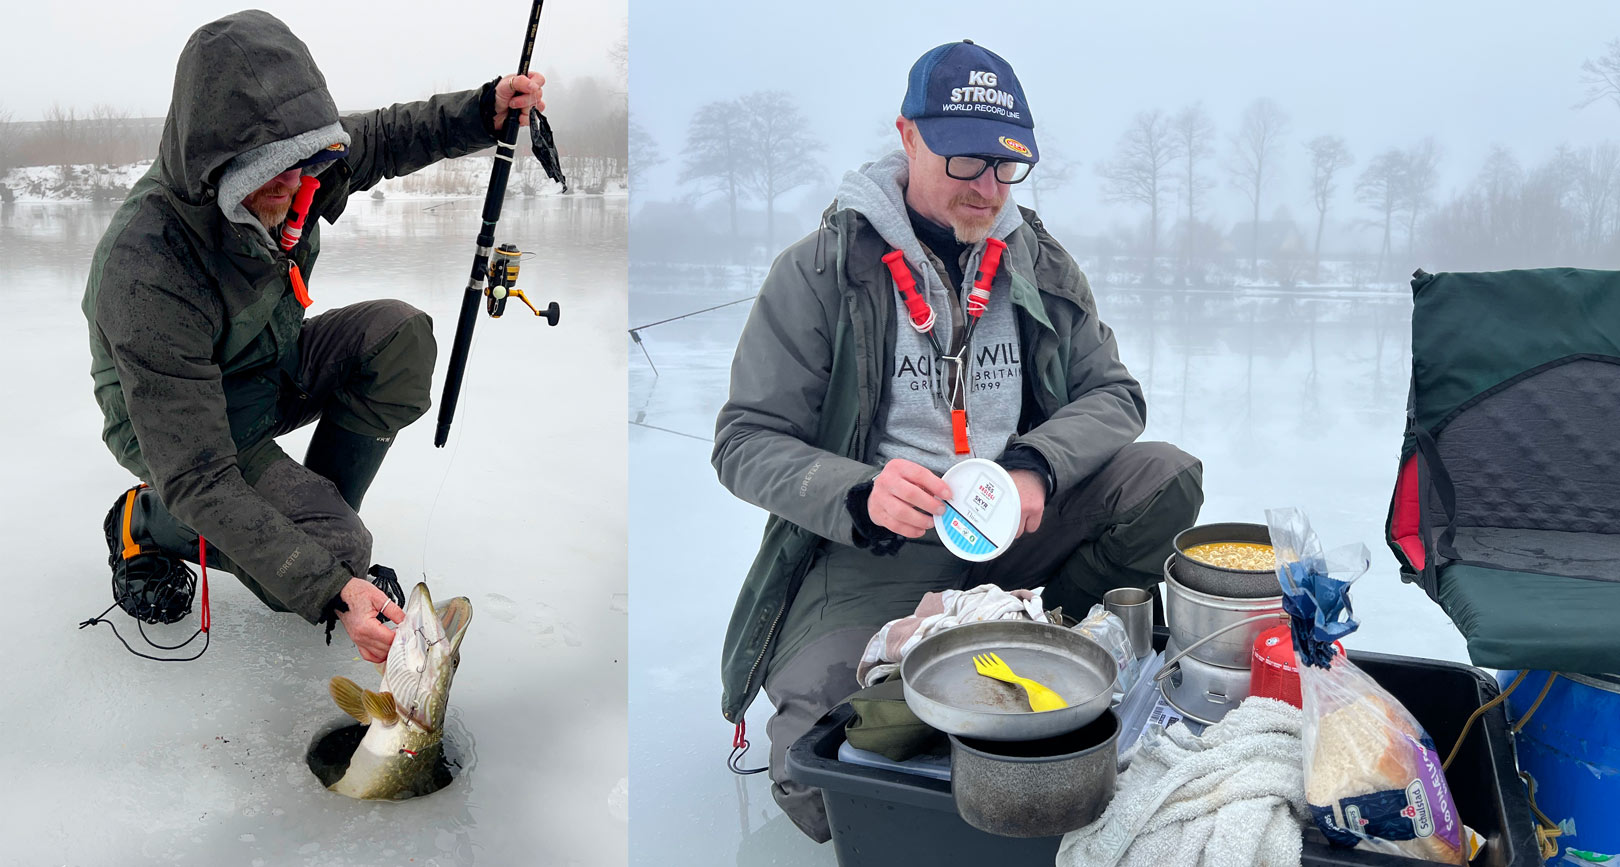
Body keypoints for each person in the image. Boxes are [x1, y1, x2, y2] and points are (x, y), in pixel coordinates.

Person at [712, 40, 1205, 841]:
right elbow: (743, 438)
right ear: (908, 136)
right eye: (966, 161)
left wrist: (1038, 466)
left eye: (1007, 168)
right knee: (812, 779)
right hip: (874, 547)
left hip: (1014, 525)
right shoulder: (819, 272)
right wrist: (857, 493)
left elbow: (1116, 394)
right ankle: (922, 653)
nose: (987, 188)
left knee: (1166, 480)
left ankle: (1048, 633)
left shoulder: (1040, 262)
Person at [83, 10, 545, 664]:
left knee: (398, 337)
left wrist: (480, 112)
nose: (297, 185)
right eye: (267, 173)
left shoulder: (303, 165)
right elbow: (199, 473)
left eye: (304, 163)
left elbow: (382, 138)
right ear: (218, 163)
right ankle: (146, 521)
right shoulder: (148, 269)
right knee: (329, 553)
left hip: (265, 361)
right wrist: (328, 578)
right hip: (176, 423)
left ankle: (308, 528)